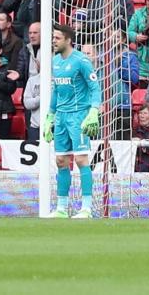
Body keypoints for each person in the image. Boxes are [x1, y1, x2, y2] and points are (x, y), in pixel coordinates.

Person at [43, 23, 103, 220]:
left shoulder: (81, 61)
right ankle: (61, 208)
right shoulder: (55, 61)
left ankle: (86, 208)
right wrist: (49, 116)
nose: (53, 41)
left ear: (68, 40)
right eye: (53, 37)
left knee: (81, 159)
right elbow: (56, 90)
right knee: (61, 161)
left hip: (79, 115)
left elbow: (95, 87)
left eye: (57, 38)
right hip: (61, 116)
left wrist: (93, 111)